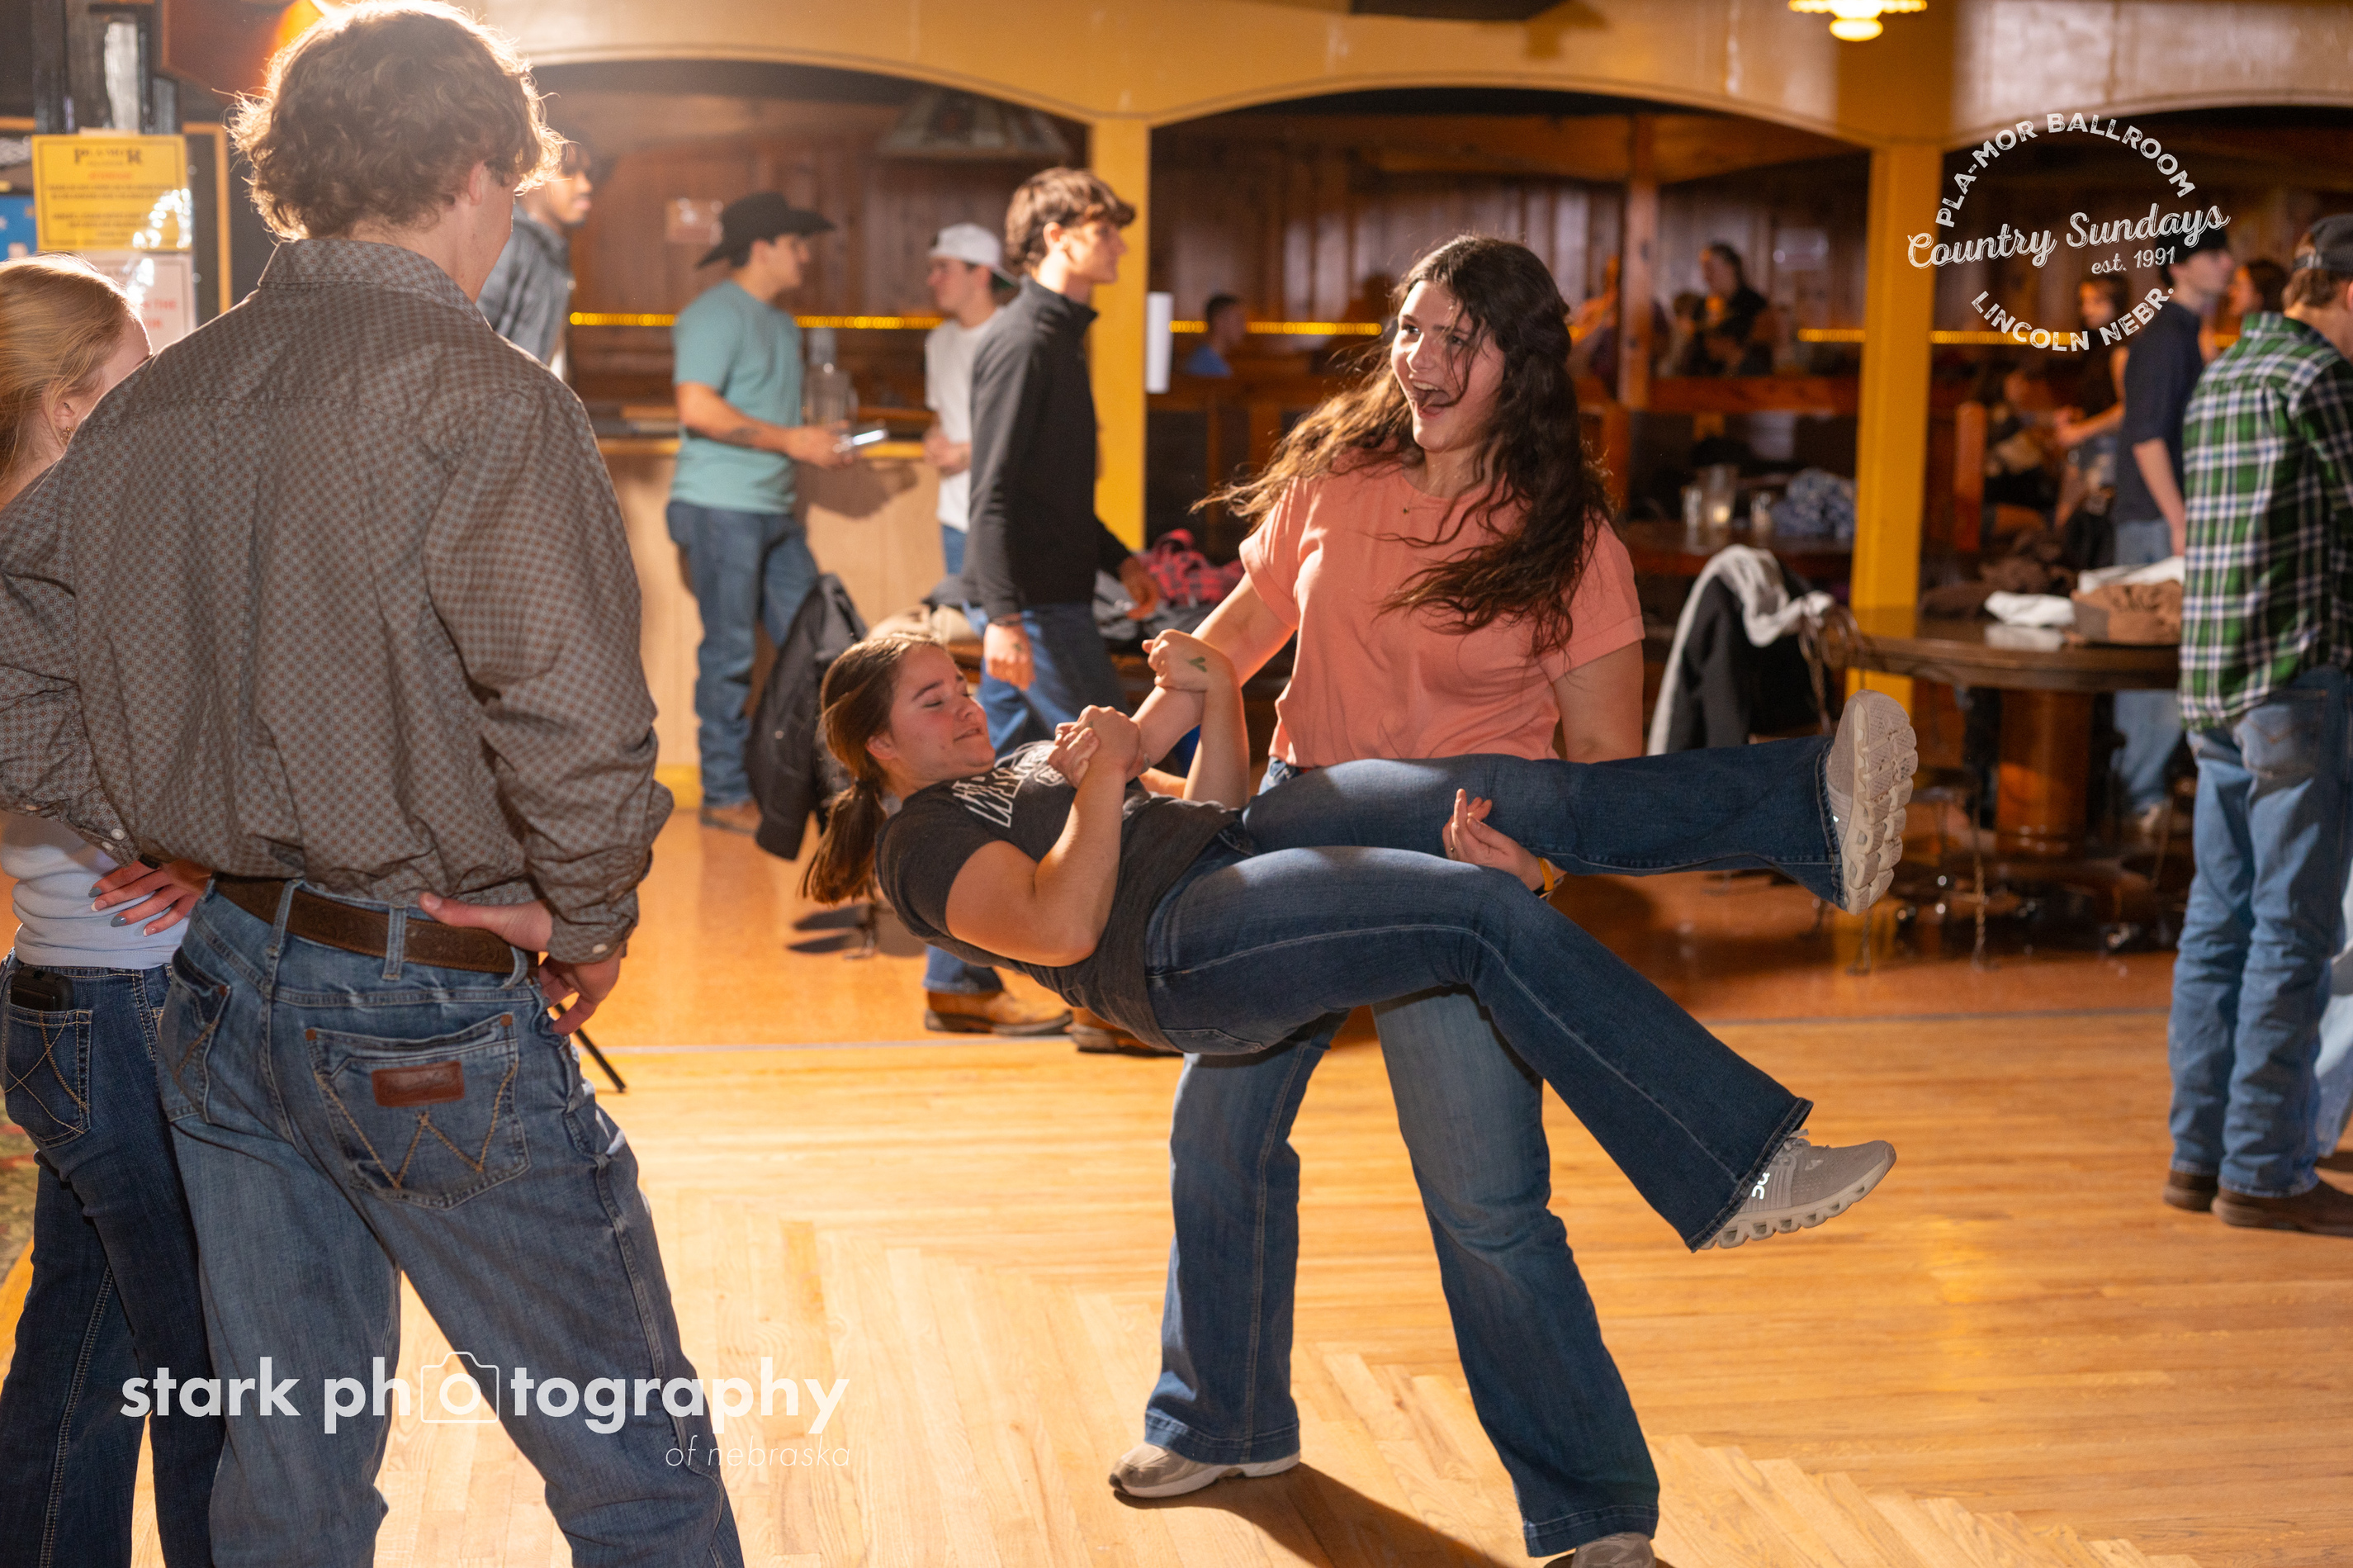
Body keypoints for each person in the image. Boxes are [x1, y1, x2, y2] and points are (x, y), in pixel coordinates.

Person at [0, 8, 742, 1562]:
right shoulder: (483, 392)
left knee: (290, 1472)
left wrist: (151, 812)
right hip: (417, 994)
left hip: (215, 980)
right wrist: (588, 911)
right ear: (476, 167)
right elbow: (570, 709)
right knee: (635, 1462)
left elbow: (18, 662)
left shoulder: (154, 404)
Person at [808, 628, 1908, 1566]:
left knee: (1497, 788)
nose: (964, 703)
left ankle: (1813, 809)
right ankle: (1731, 1165)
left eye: (957, 684)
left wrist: (1215, 700)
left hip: (1232, 853)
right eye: (932, 699)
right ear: (880, 746)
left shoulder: (1013, 764)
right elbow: (1060, 926)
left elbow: (1206, 807)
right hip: (1179, 950)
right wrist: (1099, 780)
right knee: (1476, 915)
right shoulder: (919, 843)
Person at [1091, 234, 1685, 1557]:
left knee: (1486, 1202)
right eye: (1411, 329)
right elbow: (1240, 631)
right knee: (1218, 1136)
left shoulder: (1569, 540)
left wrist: (1535, 871)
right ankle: (1220, 1416)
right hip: (1299, 832)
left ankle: (1596, 1511)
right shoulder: (1338, 476)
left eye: (1457, 339)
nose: (1421, 359)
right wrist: (1131, 740)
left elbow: (1606, 770)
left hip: (1456, 871)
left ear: (1520, 366)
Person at [0, 255, 220, 1568]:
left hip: (67, 990)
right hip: (125, 996)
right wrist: (210, 848)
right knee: (207, 1362)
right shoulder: (59, 562)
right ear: (70, 401)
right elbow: (122, 773)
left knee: (84, 1345)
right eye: (137, 378)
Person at [2164, 216, 2353, 1238]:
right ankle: (2265, 1172)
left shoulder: (2227, 374)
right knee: (2293, 929)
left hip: (2214, 687)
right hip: (2294, 686)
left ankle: (2199, 1158)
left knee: (2218, 924)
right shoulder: (2322, 379)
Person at [916, 219, 1065, 1035]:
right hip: (969, 536)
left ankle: (961, 972)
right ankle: (967, 973)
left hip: (997, 539)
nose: (932, 278)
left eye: (945, 266)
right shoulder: (946, 341)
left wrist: (966, 453)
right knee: (1004, 728)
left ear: (981, 271)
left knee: (998, 727)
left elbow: (1003, 454)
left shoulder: (1012, 337)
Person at [670, 190, 855, 835]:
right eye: (796, 243)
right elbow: (697, 407)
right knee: (730, 655)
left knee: (821, 650)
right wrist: (793, 441)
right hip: (720, 507)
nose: (805, 255)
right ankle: (723, 794)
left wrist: (815, 436)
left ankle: (824, 790)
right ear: (763, 247)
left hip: (771, 508)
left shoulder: (781, 322)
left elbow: (765, 413)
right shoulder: (713, 314)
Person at [963, 165, 1162, 757]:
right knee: (1116, 759)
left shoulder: (1056, 337)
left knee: (1006, 771)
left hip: (1043, 597)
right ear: (1057, 237)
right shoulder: (1025, 341)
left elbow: (1051, 490)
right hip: (1034, 604)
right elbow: (992, 491)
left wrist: (1119, 558)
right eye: (1104, 232)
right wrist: (1004, 618)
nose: (1120, 246)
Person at [2112, 226, 2236, 833]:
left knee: (2167, 659)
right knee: (2152, 659)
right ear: (2179, 266)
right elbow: (2146, 437)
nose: (2227, 263)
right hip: (2155, 519)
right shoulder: (2164, 337)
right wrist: (2180, 519)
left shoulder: (2186, 332)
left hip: (2161, 516)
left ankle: (2146, 793)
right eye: (2214, 253)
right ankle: (2139, 799)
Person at [476, 137, 592, 371]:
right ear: (532, 176)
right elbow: (468, 338)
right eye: (569, 172)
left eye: (587, 174)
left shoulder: (549, 251)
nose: (585, 186)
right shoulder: (509, 243)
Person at [2054, 275, 2130, 540]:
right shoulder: (2095, 346)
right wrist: (2076, 416)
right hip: (2092, 451)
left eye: (2097, 302)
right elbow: (2102, 402)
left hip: (2110, 456)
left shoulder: (2120, 351)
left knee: (2089, 531)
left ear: (2117, 305)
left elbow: (2128, 411)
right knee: (2067, 525)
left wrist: (2080, 431)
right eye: (2083, 302)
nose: (2086, 309)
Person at [1674, 243, 1774, 377]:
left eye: (1710, 269)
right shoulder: (1701, 306)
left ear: (1730, 267)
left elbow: (1763, 351)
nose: (1705, 277)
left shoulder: (1754, 304)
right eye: (1704, 270)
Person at [1181, 293, 1244, 377]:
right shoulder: (1210, 367)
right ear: (1219, 322)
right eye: (1239, 320)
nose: (1243, 327)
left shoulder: (1205, 357)